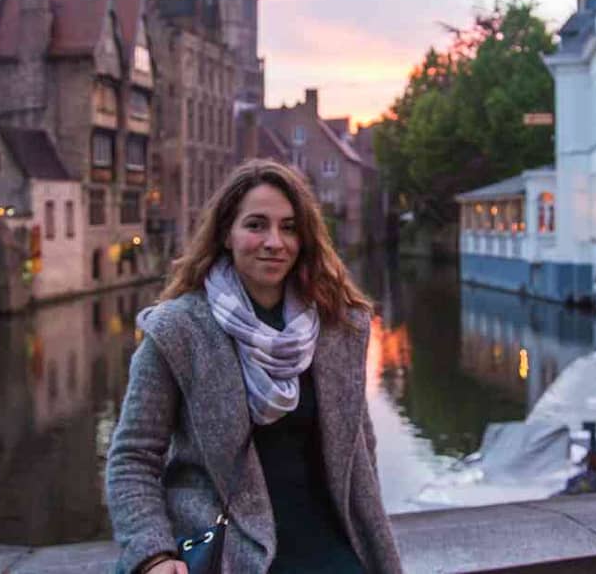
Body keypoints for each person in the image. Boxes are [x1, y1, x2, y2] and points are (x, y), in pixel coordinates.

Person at [105, 159, 402, 573]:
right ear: (227, 233)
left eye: (289, 227)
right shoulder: (179, 331)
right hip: (228, 545)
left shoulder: (337, 326)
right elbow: (133, 458)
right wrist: (153, 554)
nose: (274, 242)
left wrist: (373, 543)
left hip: (329, 543)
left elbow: (360, 452)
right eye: (256, 225)